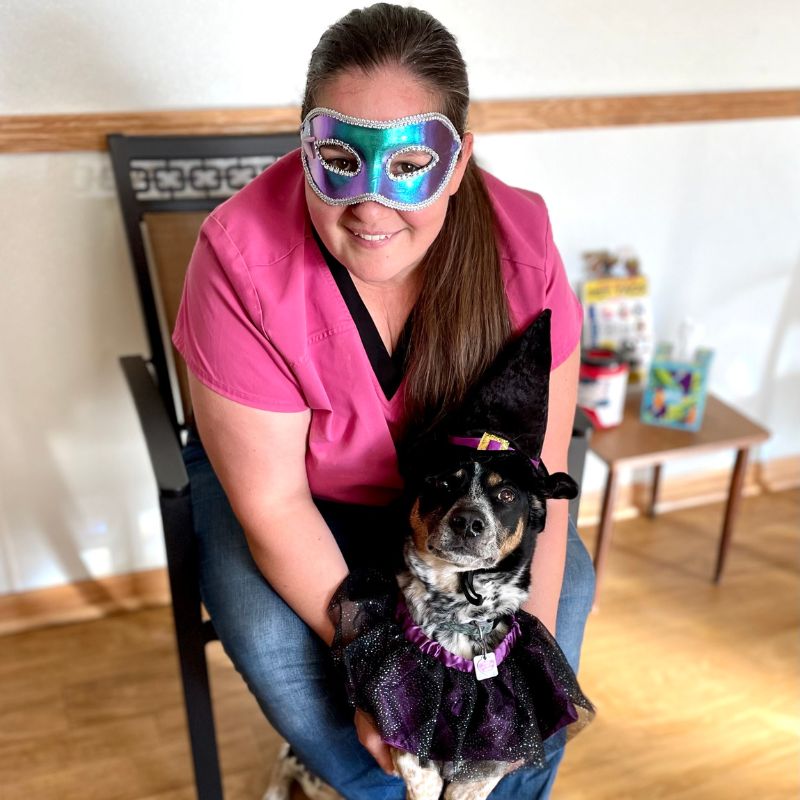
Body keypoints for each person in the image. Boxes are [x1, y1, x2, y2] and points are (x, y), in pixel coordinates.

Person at [172, 4, 595, 798]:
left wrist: (514, 668)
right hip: (294, 491)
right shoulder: (239, 257)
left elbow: (539, 467)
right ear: (303, 147)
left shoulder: (521, 238)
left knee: (564, 591)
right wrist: (382, 673)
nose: (370, 207)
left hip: (454, 492)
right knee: (271, 634)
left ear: (459, 161)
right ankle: (363, 785)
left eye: (406, 167)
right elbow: (273, 506)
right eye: (338, 157)